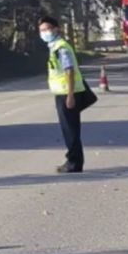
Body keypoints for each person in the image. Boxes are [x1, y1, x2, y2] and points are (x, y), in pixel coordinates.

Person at [38, 16, 86, 173]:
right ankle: (73, 160)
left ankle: (74, 163)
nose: (45, 32)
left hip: (67, 93)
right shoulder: (54, 47)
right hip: (63, 92)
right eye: (42, 30)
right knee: (69, 129)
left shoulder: (61, 48)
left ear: (57, 29)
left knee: (70, 130)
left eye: (48, 29)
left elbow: (69, 70)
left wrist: (70, 95)